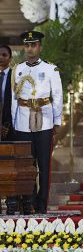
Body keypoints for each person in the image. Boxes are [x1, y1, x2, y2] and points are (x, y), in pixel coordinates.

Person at [11, 30, 63, 214]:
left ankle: (42, 203)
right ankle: (29, 203)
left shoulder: (51, 69)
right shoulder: (17, 69)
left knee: (43, 163)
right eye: (27, 45)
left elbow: (57, 96)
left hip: (45, 119)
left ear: (40, 46)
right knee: (27, 164)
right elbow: (13, 98)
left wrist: (57, 121)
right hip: (23, 120)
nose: (30, 49)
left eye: (33, 45)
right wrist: (14, 122)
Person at [0, 45, 15, 214]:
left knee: (10, 164)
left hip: (10, 127)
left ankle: (12, 202)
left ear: (10, 58)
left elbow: (15, 103)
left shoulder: (14, 76)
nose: (1, 58)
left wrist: (6, 126)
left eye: (4, 55)